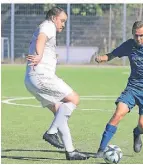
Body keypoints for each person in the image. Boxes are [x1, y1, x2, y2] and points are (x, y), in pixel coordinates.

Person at [95, 21, 143, 157]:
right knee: (118, 114)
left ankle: (137, 133)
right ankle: (101, 150)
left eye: (141, 35)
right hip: (133, 87)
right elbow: (112, 54)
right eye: (136, 35)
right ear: (133, 34)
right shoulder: (129, 45)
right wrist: (103, 58)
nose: (139, 39)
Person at [24, 7, 89, 160]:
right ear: (54, 18)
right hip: (41, 76)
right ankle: (51, 132)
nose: (63, 24)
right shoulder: (48, 25)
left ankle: (71, 151)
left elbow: (42, 41)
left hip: (31, 79)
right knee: (74, 99)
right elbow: (41, 38)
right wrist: (39, 55)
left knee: (60, 112)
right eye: (62, 20)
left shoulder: (46, 26)